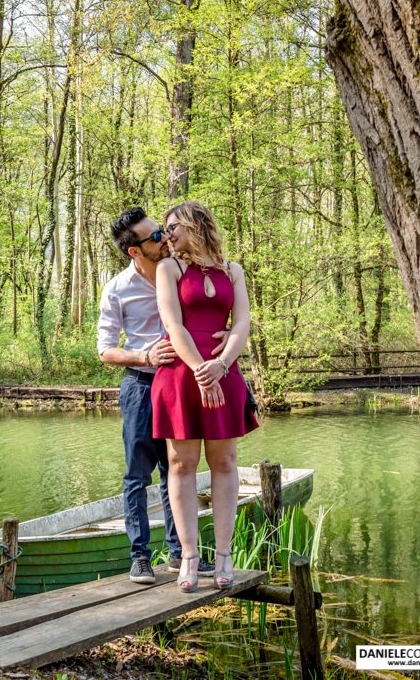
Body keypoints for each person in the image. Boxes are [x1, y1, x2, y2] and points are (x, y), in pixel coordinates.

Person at [97, 207, 227, 584]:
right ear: (134, 251)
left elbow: (214, 309)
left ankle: (179, 553)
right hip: (141, 383)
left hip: (185, 381)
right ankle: (139, 557)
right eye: (154, 237)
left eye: (163, 231)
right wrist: (144, 355)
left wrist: (227, 331)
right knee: (138, 473)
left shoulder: (186, 270)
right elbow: (104, 350)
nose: (165, 238)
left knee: (180, 468)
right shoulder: (118, 289)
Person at [151, 201, 259, 593]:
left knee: (225, 461)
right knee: (181, 464)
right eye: (164, 229)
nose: (167, 235)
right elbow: (172, 323)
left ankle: (225, 556)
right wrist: (201, 370)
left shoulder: (233, 270)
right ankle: (191, 557)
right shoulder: (169, 268)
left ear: (197, 226)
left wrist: (222, 364)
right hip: (182, 376)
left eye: (173, 227)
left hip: (223, 373)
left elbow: (242, 321)